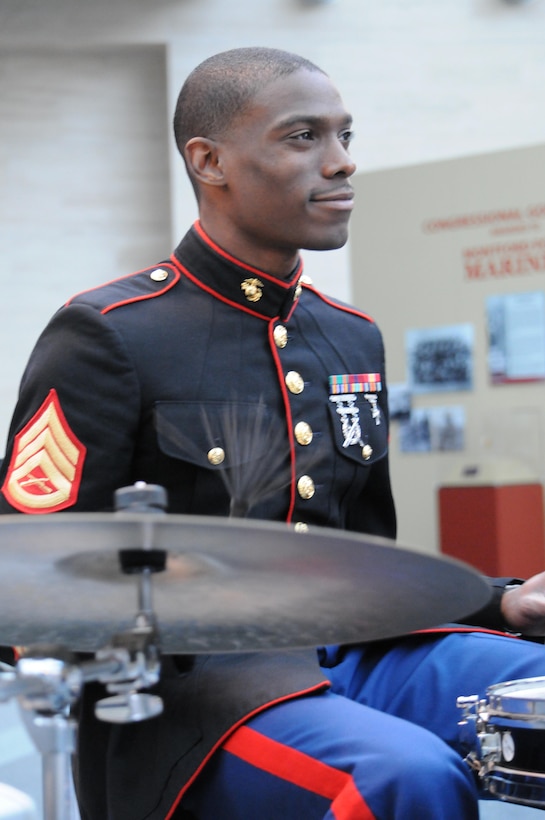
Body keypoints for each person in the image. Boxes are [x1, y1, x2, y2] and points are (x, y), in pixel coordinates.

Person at [1, 46, 545, 820]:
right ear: (209, 160)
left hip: (360, 650)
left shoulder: (348, 337)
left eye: (345, 137)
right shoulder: (111, 334)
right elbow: (25, 572)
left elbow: (363, 559)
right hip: (192, 693)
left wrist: (499, 603)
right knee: (401, 776)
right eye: (303, 138)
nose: (342, 164)